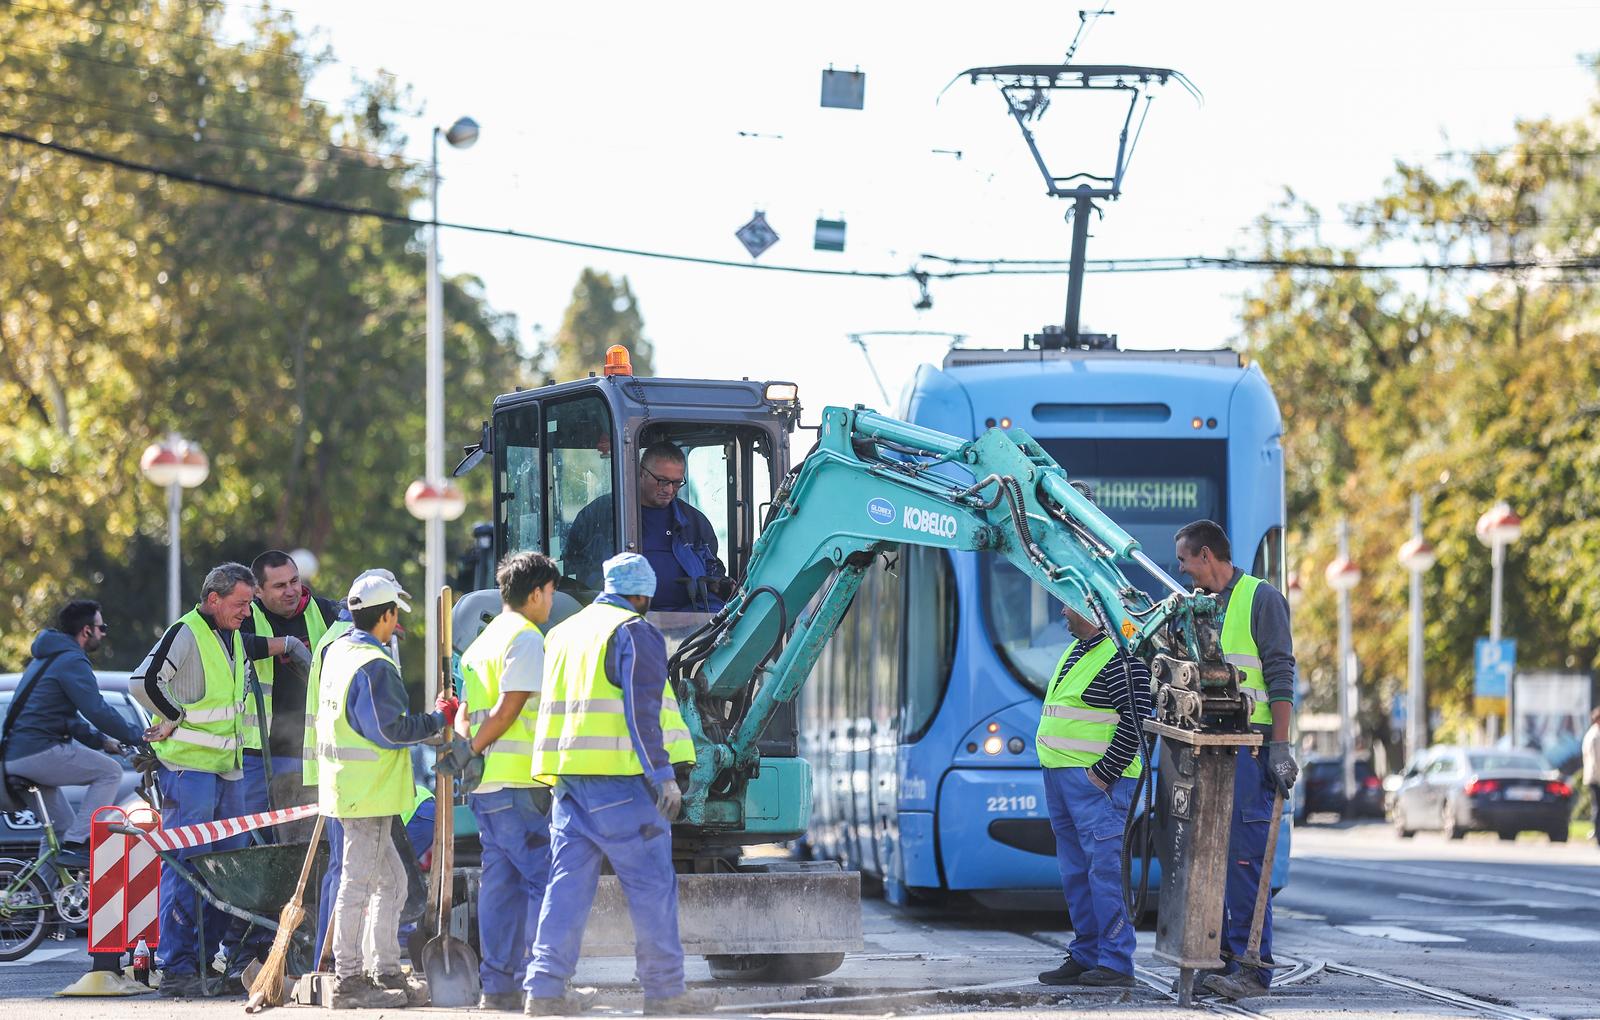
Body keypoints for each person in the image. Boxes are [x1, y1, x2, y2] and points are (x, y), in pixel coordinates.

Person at [523, 553, 697, 1015]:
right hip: (622, 786)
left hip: (568, 785)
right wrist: (664, 778)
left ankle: (543, 991)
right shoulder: (634, 631)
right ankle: (664, 993)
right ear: (642, 593)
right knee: (652, 887)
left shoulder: (563, 633)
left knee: (566, 888)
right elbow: (642, 716)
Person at [132, 562, 309, 997]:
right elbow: (144, 681)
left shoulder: (227, 635)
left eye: (249, 603)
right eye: (241, 603)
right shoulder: (187, 632)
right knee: (189, 867)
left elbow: (248, 655)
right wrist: (172, 717)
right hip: (187, 770)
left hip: (223, 770)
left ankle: (205, 959)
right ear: (213, 600)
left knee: (224, 870)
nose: (247, 612)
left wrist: (287, 643)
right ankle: (177, 968)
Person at [316, 570, 452, 1009]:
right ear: (387, 614)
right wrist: (437, 718)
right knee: (358, 883)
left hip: (356, 788)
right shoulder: (373, 664)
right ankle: (350, 979)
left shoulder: (339, 651)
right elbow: (389, 730)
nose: (398, 624)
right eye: (395, 615)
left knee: (391, 881)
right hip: (366, 793)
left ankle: (385, 970)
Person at [1173, 521, 1298, 1001]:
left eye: (1186, 562)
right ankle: (1226, 957)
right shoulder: (1203, 607)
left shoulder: (1260, 598)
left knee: (1245, 860)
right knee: (1216, 861)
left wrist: (1280, 746)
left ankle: (1253, 967)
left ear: (1207, 555)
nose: (1184, 573)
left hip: (1252, 748)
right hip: (1214, 747)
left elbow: (1280, 671)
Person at [455, 551, 560, 1010]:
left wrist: (466, 754)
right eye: (551, 593)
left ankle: (497, 987)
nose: (552, 603)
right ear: (535, 593)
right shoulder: (526, 637)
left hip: (486, 789)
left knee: (500, 884)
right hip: (520, 784)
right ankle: (542, 983)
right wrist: (474, 749)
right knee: (546, 880)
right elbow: (510, 707)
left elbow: (463, 712)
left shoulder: (481, 642)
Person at [1035, 604, 1152, 989]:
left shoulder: (1120, 654)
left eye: (1069, 603)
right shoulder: (1079, 650)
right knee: (1075, 873)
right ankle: (1087, 953)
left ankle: (1116, 962)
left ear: (1092, 608)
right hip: (1065, 782)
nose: (1062, 611)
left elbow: (1136, 721)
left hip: (1100, 787)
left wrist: (1101, 776)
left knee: (1104, 874)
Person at [1, 600, 145, 865]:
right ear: (87, 630)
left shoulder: (48, 657)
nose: (104, 633)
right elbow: (98, 710)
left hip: (17, 755)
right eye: (102, 628)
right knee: (110, 772)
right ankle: (79, 843)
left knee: (61, 827)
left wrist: (102, 741)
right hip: (38, 751)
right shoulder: (72, 661)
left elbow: (68, 720)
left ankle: (36, 898)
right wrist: (139, 736)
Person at [565, 443, 730, 611]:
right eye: (662, 481)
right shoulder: (599, 516)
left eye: (677, 483)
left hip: (690, 617)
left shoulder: (694, 521)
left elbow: (712, 568)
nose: (669, 489)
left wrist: (717, 583)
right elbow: (576, 568)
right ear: (640, 473)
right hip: (620, 615)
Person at [241, 550, 341, 817]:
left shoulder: (324, 612)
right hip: (255, 751)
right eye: (279, 585)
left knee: (296, 834)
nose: (291, 591)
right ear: (257, 591)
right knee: (246, 832)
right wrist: (286, 644)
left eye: (294, 581)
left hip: (304, 751)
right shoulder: (246, 614)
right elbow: (234, 643)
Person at [1583, 707, 1599, 849]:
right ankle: (1596, 832)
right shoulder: (1595, 735)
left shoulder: (1592, 733)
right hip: (1596, 777)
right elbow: (1596, 760)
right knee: (1597, 807)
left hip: (1593, 777)